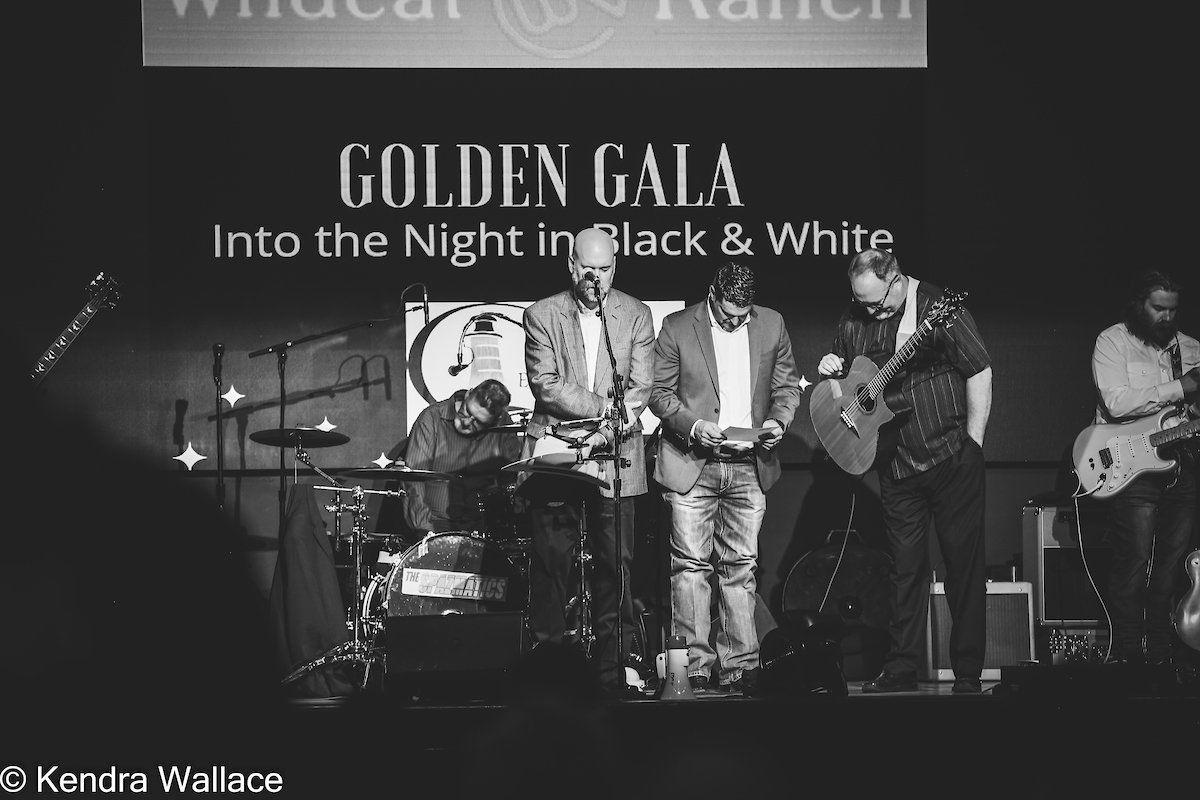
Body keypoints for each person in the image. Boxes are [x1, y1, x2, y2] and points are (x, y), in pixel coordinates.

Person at [817, 248, 992, 694]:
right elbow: (844, 385)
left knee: (963, 568)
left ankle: (967, 672)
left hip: (950, 456)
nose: (872, 312)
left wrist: (973, 445)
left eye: (878, 303)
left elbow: (979, 370)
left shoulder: (937, 307)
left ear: (896, 279)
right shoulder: (856, 317)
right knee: (904, 572)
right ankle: (901, 667)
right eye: (862, 303)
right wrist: (831, 371)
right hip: (894, 464)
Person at [649, 262, 800, 695]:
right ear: (712, 294)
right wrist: (694, 426)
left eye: (742, 314)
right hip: (692, 461)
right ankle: (694, 668)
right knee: (691, 568)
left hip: (749, 463)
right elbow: (658, 392)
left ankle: (741, 667)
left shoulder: (771, 324)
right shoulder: (678, 326)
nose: (735, 321)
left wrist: (778, 422)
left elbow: (787, 387)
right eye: (728, 314)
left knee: (741, 568)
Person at [520, 226, 655, 699]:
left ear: (614, 267)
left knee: (616, 566)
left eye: (604, 269)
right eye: (587, 268)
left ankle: (612, 671)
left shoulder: (636, 314)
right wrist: (605, 410)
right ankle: (550, 675)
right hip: (556, 453)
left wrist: (608, 428)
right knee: (552, 564)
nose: (595, 278)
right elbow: (547, 385)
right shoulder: (540, 314)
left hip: (617, 456)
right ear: (571, 264)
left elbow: (640, 388)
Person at [1091, 270, 1199, 665]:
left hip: (1182, 460)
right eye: (1158, 308)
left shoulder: (1191, 349)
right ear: (1139, 304)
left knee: (1172, 562)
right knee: (1134, 557)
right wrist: (1180, 387)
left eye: (1172, 309)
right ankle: (1127, 652)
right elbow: (1117, 403)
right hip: (1132, 462)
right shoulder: (1113, 341)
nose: (1166, 317)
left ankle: (1159, 651)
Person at [402, 378, 523, 536]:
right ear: (468, 394)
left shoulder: (504, 425)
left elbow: (510, 479)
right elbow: (413, 479)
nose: (466, 422)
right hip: (436, 523)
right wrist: (425, 531)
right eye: (467, 412)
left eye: (478, 422)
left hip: (483, 525)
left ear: (495, 421)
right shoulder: (431, 418)